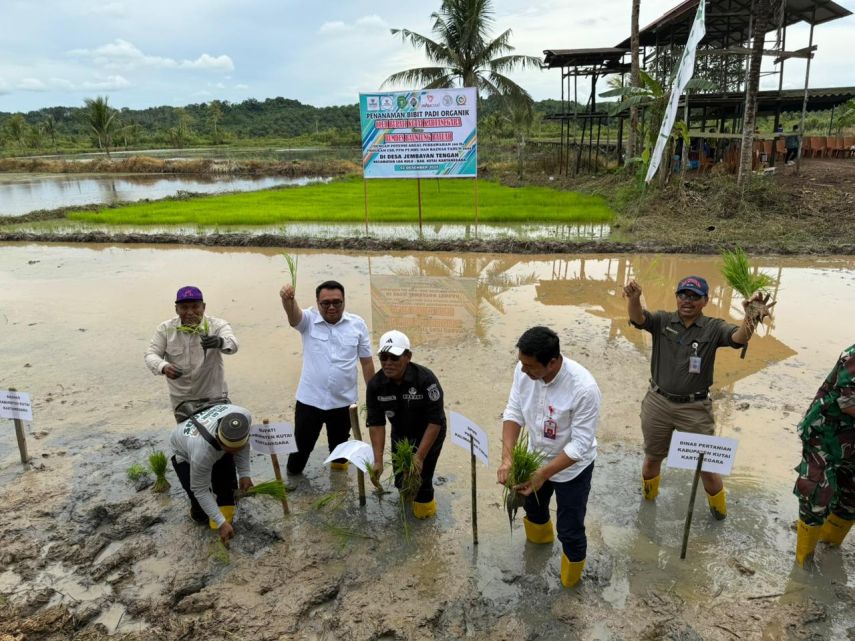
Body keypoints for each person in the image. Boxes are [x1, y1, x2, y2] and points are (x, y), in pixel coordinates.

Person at [624, 276, 770, 519]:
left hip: (695, 407)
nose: (687, 300)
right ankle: (648, 506)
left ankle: (719, 516)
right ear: (677, 297)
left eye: (694, 296)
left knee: (708, 469)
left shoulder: (713, 327)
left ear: (705, 301)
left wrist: (751, 318)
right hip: (658, 402)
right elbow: (638, 318)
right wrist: (634, 298)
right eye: (683, 294)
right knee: (651, 459)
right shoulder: (662, 321)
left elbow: (739, 338)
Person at [498, 326, 601, 589]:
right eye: (521, 363)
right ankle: (537, 553)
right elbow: (513, 412)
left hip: (572, 469)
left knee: (570, 528)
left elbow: (579, 446)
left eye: (530, 366)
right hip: (535, 458)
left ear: (552, 362)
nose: (523, 370)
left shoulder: (584, 388)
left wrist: (543, 474)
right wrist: (507, 459)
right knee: (533, 510)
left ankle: (570, 584)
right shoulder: (523, 372)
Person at [279, 280, 374, 474]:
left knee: (340, 453)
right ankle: (293, 479)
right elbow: (293, 317)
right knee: (300, 449)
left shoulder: (357, 324)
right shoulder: (308, 320)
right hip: (309, 402)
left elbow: (366, 362)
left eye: (337, 302)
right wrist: (287, 299)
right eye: (326, 303)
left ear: (344, 301)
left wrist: (374, 398)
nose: (331, 307)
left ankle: (339, 486)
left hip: (343, 403)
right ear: (317, 303)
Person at [366, 330, 446, 519]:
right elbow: (376, 424)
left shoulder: (426, 380)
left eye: (394, 357)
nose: (388, 363)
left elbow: (435, 421)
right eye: (383, 357)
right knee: (401, 479)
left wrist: (419, 457)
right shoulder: (376, 385)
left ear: (408, 356)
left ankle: (425, 521)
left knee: (422, 479)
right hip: (401, 433)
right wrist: (378, 461)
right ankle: (406, 510)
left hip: (429, 431)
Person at [793, 344, 855, 566]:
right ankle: (803, 564)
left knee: (851, 495)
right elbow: (848, 402)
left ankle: (829, 546)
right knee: (817, 493)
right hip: (826, 434)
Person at [145, 286, 238, 422]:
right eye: (184, 307)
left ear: (203, 307)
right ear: (176, 309)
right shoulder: (165, 329)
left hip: (214, 396)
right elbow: (150, 354)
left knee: (216, 432)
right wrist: (163, 367)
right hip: (181, 400)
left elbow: (233, 344)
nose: (190, 312)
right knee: (188, 432)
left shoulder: (218, 325)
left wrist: (219, 342)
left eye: (195, 307)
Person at [170, 403, 253, 542]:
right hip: (184, 453)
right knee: (201, 512)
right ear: (221, 443)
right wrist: (221, 523)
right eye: (233, 451)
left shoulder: (243, 416)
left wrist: (244, 474)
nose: (236, 453)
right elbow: (200, 490)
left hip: (210, 439)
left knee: (227, 493)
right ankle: (197, 513)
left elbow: (244, 444)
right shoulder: (201, 452)